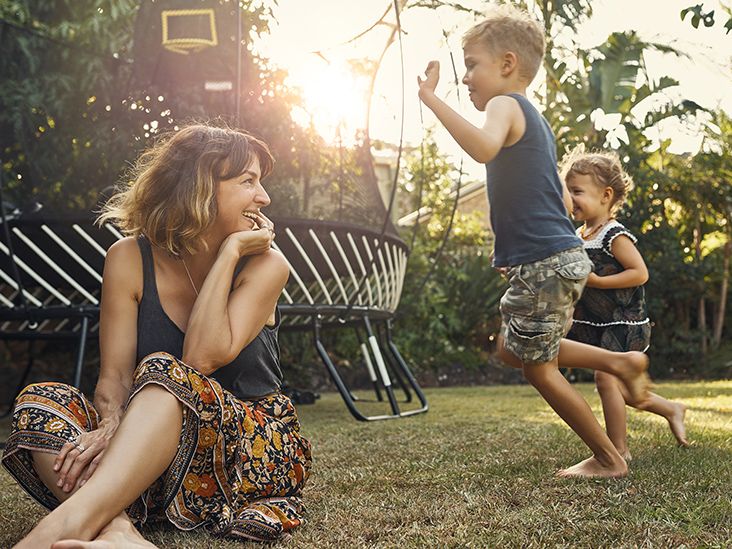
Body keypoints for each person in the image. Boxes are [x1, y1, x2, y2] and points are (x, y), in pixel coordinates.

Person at [2, 124, 312, 547]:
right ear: (200, 187)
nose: (264, 197)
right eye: (248, 181)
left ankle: (66, 525)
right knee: (40, 401)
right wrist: (111, 424)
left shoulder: (266, 265)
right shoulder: (128, 258)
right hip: (149, 452)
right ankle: (120, 531)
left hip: (246, 448)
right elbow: (114, 377)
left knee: (165, 374)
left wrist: (231, 251)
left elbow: (200, 360)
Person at [417, 5, 652, 478]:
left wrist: (431, 99)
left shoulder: (506, 105)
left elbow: (483, 149)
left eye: (471, 65)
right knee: (512, 348)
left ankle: (608, 460)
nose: (465, 78)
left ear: (507, 64)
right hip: (549, 257)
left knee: (537, 368)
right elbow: (558, 199)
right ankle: (619, 361)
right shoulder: (535, 121)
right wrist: (513, 247)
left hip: (547, 260)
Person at [564, 150, 689, 459]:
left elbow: (639, 273)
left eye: (577, 191)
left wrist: (598, 282)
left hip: (622, 321)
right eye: (567, 191)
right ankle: (672, 409)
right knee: (621, 388)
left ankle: (619, 449)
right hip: (593, 322)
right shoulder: (580, 236)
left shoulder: (613, 235)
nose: (570, 198)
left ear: (606, 195)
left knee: (606, 378)